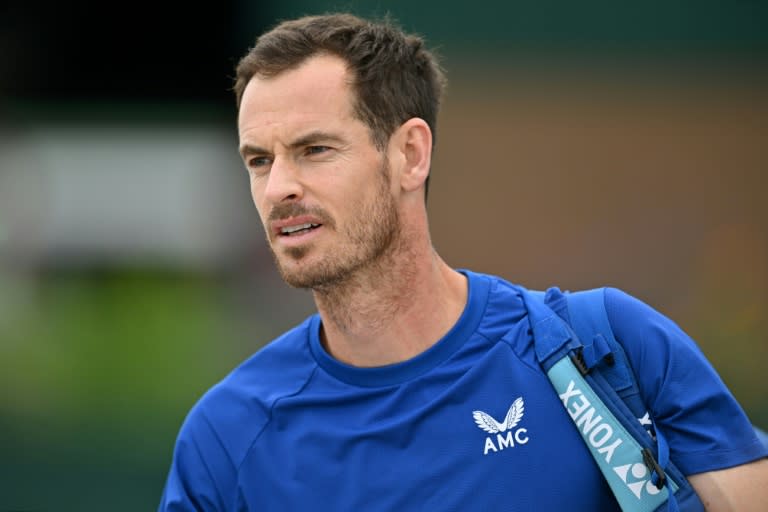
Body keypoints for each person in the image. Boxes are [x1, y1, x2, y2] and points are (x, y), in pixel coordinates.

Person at [158, 13, 768, 511]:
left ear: (410, 154)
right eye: (259, 160)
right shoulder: (227, 437)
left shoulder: (606, 348)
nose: (277, 189)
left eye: (314, 150)